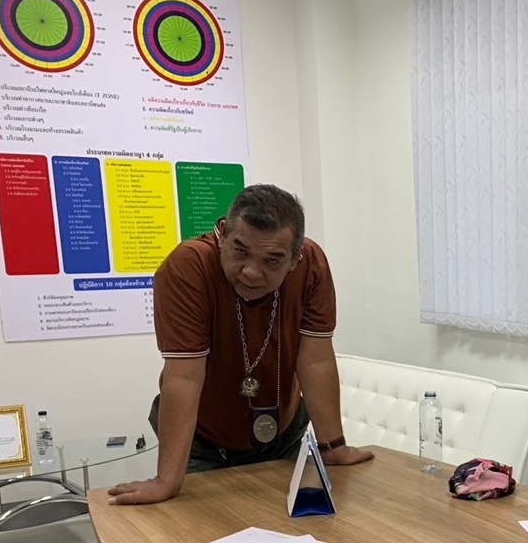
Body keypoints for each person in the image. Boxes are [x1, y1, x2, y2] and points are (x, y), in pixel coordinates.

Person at [109, 184, 372, 505]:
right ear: (222, 234)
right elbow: (184, 377)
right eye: (240, 252)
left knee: (299, 525)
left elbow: (315, 360)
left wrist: (333, 447)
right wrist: (166, 481)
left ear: (295, 258)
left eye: (272, 261)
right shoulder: (189, 266)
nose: (251, 272)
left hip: (284, 433)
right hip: (204, 441)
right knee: (202, 529)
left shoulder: (311, 265)